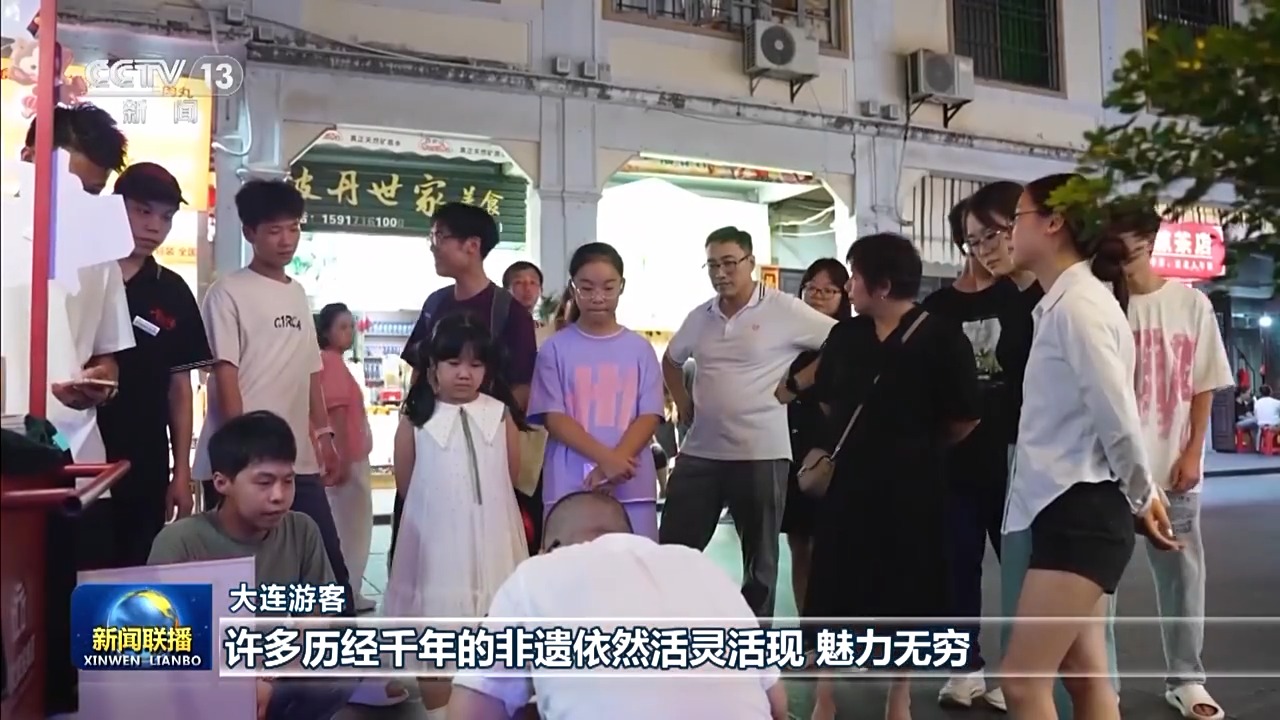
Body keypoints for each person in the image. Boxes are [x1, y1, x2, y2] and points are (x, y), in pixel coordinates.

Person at [998, 173, 1179, 720]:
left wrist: (1142, 494)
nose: (1008, 233)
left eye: (1016, 218)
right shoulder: (1066, 303)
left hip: (1081, 513)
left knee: (1022, 683)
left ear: (1053, 222)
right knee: (1084, 676)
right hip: (1072, 507)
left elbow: (1117, 417)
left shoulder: (1079, 306)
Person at [801, 232, 982, 720]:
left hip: (914, 486)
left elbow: (966, 415)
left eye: (854, 277)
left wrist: (917, 447)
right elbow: (827, 398)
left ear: (881, 286)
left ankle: (898, 695)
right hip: (849, 483)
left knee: (906, 589)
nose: (848, 286)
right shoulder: (847, 336)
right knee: (835, 584)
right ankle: (824, 695)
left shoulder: (942, 338)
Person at [448, 491, 789, 720]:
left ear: (549, 547)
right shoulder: (703, 568)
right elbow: (777, 706)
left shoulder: (534, 574)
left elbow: (468, 713)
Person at [8, 105, 135, 717]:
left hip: (76, 456)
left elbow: (108, 353)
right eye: (73, 186)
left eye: (94, 190)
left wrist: (99, 382)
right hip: (7, 457)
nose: (82, 203)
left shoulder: (99, 247)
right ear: (29, 159)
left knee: (70, 621)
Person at [149, 411, 401, 718]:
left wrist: (270, 675)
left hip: (274, 667)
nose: (279, 496)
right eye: (264, 483)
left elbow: (317, 618)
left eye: (288, 481)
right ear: (222, 482)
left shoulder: (301, 529)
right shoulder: (179, 542)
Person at [194, 179, 354, 616]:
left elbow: (310, 370)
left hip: (296, 459)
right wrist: (241, 455)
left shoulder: (297, 292)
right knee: (238, 578)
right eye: (274, 230)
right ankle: (245, 659)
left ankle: (335, 653)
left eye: (293, 228)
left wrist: (324, 435)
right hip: (242, 462)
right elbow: (225, 374)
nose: (286, 240)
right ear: (250, 232)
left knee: (327, 569)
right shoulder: (227, 292)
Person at [659, 226, 837, 618]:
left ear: (750, 262)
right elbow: (671, 360)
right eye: (712, 265)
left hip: (761, 452)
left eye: (729, 263)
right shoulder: (701, 316)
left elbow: (842, 339)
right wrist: (682, 400)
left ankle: (754, 643)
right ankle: (667, 630)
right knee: (671, 551)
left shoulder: (782, 309)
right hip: (701, 451)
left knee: (760, 565)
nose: (720, 273)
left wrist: (798, 382)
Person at [1111, 203, 1233, 720]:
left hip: (1173, 469)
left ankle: (1186, 678)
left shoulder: (1191, 303)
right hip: (1112, 472)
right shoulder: (1103, 304)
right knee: (1098, 585)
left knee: (1183, 578)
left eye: (1132, 241)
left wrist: (1192, 451)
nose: (1124, 252)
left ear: (1150, 240)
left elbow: (1205, 383)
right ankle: (1102, 686)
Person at [922, 184, 1040, 711]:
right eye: (974, 240)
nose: (986, 248)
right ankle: (963, 668)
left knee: (1022, 574)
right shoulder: (938, 308)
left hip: (1016, 458)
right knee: (955, 567)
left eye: (993, 235)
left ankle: (1018, 675)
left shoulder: (1026, 298)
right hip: (955, 459)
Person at [385, 312, 529, 717]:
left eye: (476, 364)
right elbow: (405, 482)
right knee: (437, 626)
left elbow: (511, 473)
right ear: (433, 367)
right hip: (436, 540)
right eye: (453, 363)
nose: (464, 373)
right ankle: (439, 711)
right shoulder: (416, 417)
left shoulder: (499, 414)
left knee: (494, 627)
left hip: (494, 535)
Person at [391, 202, 537, 563]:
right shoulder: (435, 303)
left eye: (440, 236)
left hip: (482, 452)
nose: (433, 246)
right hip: (430, 443)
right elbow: (418, 371)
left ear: (472, 245)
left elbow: (520, 388)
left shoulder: (508, 311)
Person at [95, 162, 214, 569]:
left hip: (144, 459)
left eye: (166, 217)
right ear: (116, 207)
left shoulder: (173, 291)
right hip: (76, 452)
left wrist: (180, 472)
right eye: (143, 211)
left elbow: (180, 389)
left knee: (137, 569)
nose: (154, 227)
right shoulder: (79, 275)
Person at [529, 242, 665, 539]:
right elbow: (554, 418)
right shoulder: (554, 349)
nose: (598, 297)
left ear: (622, 286)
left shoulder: (640, 350)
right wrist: (608, 460)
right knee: (571, 562)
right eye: (587, 288)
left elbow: (650, 415)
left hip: (631, 483)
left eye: (608, 287)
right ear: (573, 288)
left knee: (635, 562)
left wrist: (615, 462)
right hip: (569, 483)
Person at [778, 258, 851, 615]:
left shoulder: (854, 340)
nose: (818, 296)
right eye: (812, 288)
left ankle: (836, 626)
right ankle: (807, 627)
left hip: (836, 454)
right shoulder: (788, 341)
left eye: (829, 290)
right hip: (794, 451)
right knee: (800, 545)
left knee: (835, 548)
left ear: (844, 295)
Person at [314, 302, 376, 613]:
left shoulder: (329, 362)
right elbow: (336, 413)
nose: (349, 332)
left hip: (346, 455)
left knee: (345, 525)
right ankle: (348, 588)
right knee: (353, 528)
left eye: (351, 326)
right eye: (342, 327)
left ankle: (345, 588)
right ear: (325, 332)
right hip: (348, 458)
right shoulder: (331, 363)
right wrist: (340, 456)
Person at [503, 260, 552, 553]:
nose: (527, 289)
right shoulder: (497, 330)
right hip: (506, 423)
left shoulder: (550, 334)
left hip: (540, 430)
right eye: (519, 283)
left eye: (533, 283)